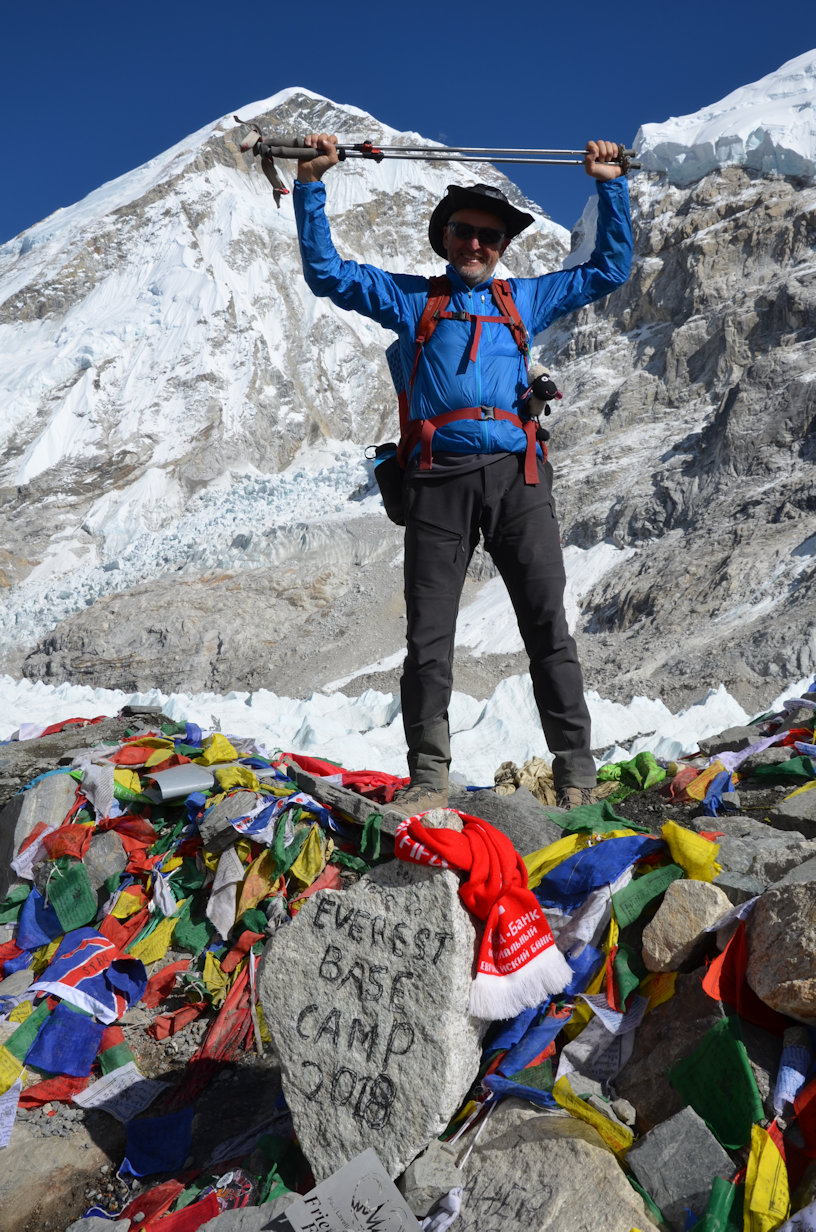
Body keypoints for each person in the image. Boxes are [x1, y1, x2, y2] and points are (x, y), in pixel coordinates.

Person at [293, 134, 632, 813]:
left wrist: (609, 185)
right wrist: (310, 184)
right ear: (445, 238)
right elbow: (328, 273)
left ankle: (576, 773)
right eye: (465, 232)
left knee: (547, 627)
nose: (477, 244)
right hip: (437, 482)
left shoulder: (523, 301)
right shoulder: (410, 300)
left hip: (517, 477)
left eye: (490, 235)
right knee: (428, 638)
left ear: (503, 244)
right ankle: (427, 778)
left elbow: (609, 271)